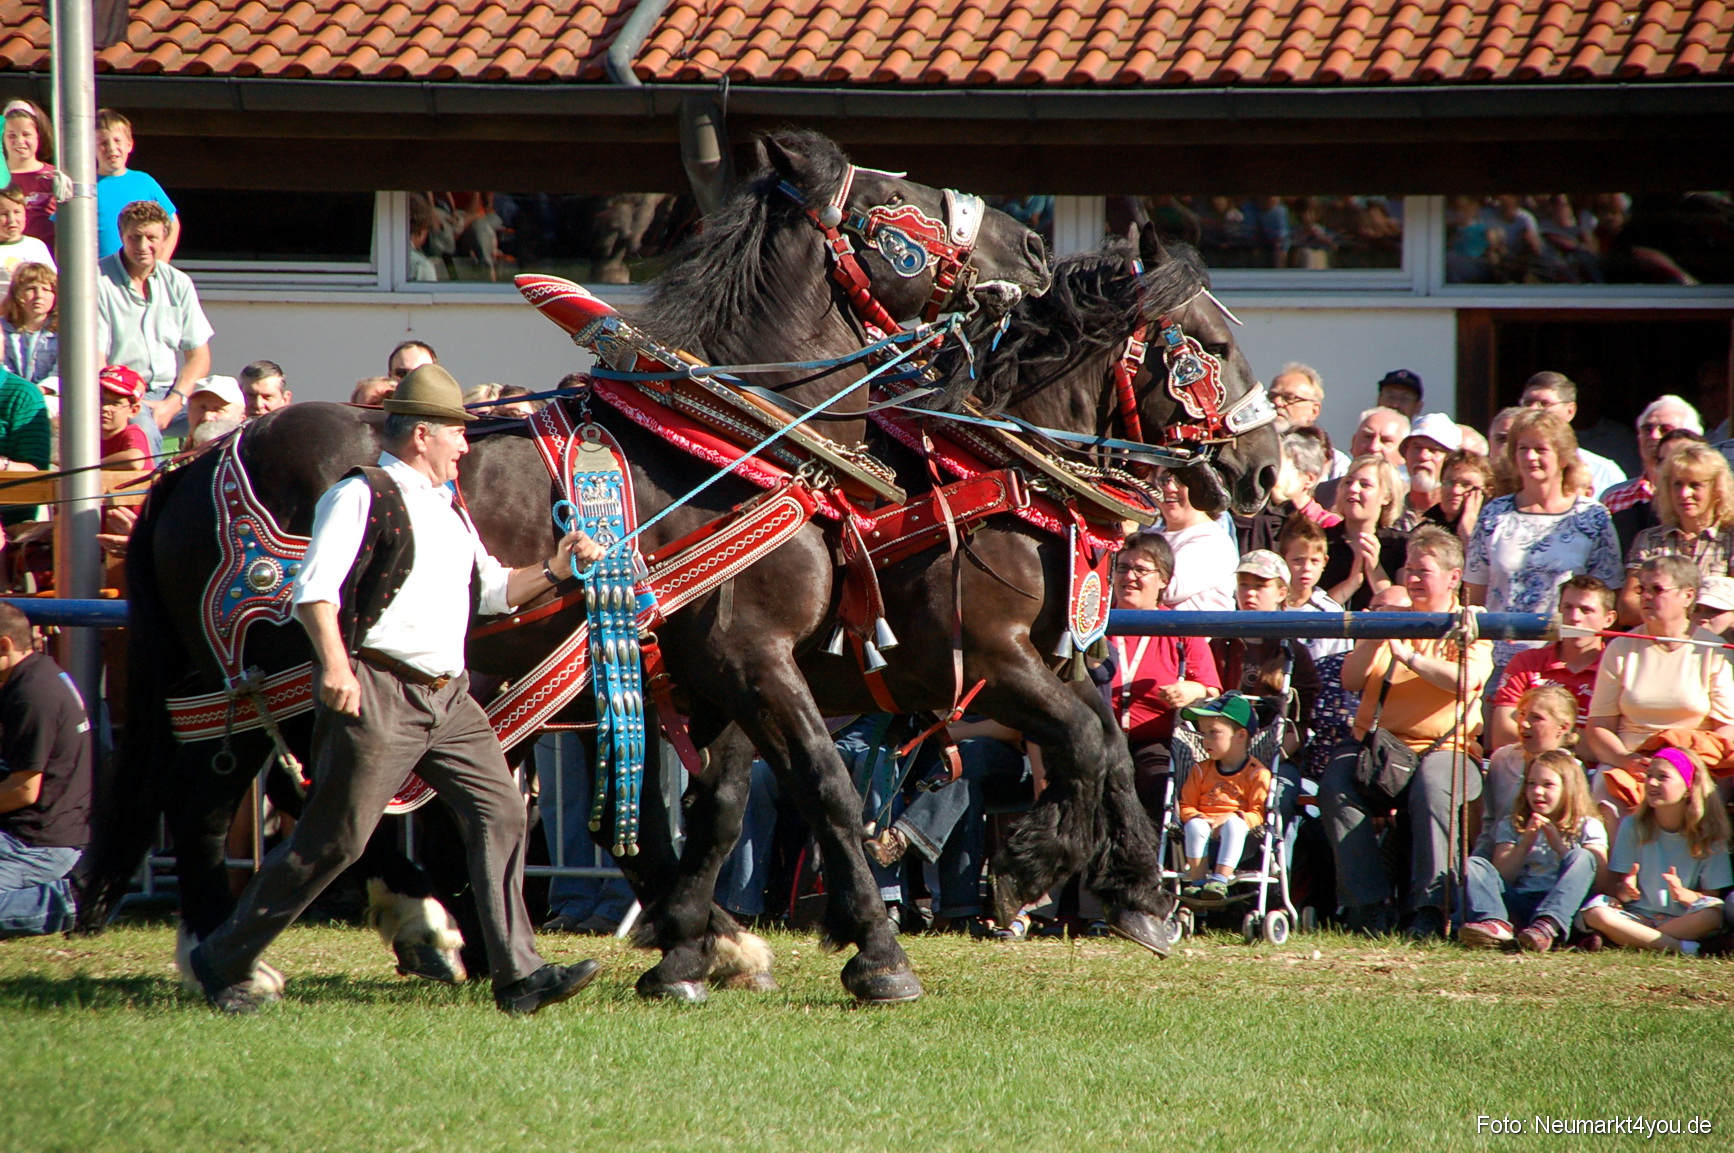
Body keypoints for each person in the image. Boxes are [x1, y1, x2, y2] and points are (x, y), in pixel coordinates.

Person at [186, 365, 605, 1015]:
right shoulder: (360, 496)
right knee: (335, 841)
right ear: (421, 436)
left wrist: (557, 568)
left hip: (451, 697)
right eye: (457, 434)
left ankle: (519, 976)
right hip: (380, 690)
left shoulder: (447, 507)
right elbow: (315, 591)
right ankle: (223, 957)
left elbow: (492, 592)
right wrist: (334, 667)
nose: (466, 445)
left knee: (501, 809)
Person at [1321, 527, 1494, 939]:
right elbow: (1351, 679)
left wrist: (1410, 656)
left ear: (1454, 577)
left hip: (1447, 749)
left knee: (1435, 784)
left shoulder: (1470, 624)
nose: (1413, 579)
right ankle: (1369, 906)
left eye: (1424, 571)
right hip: (1377, 749)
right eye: (1409, 570)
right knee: (1336, 783)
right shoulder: (1393, 614)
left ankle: (1430, 909)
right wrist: (1374, 634)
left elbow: (1464, 680)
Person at [1463, 408, 1622, 675]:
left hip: (1565, 667)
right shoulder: (1493, 514)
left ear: (1563, 456)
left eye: (1540, 449)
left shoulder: (1592, 518)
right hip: (1498, 664)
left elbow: (1607, 597)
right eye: (1522, 448)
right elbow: (1474, 596)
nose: (1530, 457)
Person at [1582, 554, 1734, 827]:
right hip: (1630, 761)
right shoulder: (1620, 648)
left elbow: (1727, 727)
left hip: (1694, 762)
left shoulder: (1714, 651)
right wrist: (1624, 759)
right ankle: (1618, 869)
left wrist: (1682, 762)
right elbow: (1599, 725)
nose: (1646, 597)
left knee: (1700, 794)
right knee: (1606, 791)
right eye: (1642, 589)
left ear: (1688, 596)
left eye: (1657, 589)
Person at [1111, 532, 1222, 820]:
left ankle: (1146, 861)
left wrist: (1191, 690)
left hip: (1155, 742)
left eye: (1141, 570)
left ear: (1164, 580)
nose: (1129, 577)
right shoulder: (1096, 624)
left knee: (1157, 777)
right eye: (1123, 567)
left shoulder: (1179, 627)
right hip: (1102, 737)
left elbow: (1211, 690)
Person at [1577, 746, 1731, 955]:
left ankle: (1633, 938)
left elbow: (1710, 897)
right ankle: (1682, 948)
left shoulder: (1710, 834)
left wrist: (1683, 894)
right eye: (1649, 775)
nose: (1651, 783)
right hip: (1637, 914)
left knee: (1713, 914)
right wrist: (1626, 890)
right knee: (1596, 913)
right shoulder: (1633, 826)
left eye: (1662, 777)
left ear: (1688, 787)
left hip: (1684, 919)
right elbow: (1618, 892)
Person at [0, 604, 93, 938]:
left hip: (36, 844)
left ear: (4, 646)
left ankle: (70, 903)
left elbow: (24, 790)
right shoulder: (35, 675)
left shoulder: (31, 695)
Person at [1459, 749, 1607, 952]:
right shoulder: (1513, 824)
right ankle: (1496, 925)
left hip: (1566, 907)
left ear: (1568, 789)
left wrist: (1560, 847)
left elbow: (1601, 880)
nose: (1537, 791)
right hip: (1523, 901)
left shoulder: (1588, 825)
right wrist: (1526, 841)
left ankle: (1548, 927)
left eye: (1548, 785)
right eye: (1531, 784)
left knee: (1582, 856)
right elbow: (1503, 876)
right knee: (1476, 864)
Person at [95, 200, 213, 435]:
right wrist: (127, 398)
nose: (143, 246)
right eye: (134, 237)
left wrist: (173, 402)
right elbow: (96, 359)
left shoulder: (178, 282)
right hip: (120, 394)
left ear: (165, 238)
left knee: (220, 421)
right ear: (121, 235)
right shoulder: (97, 280)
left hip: (173, 393)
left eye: (151, 238)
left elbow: (199, 356)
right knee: (143, 429)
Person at [1486, 575, 1617, 751]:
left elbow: (1606, 745)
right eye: (1567, 607)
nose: (1574, 617)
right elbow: (1503, 735)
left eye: (1586, 610)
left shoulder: (1618, 668)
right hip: (1525, 763)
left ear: (1609, 619)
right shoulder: (1526, 662)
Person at [1618, 441, 1734, 623]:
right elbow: (1628, 607)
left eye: (1695, 485)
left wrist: (1664, 611)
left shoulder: (1731, 539)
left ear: (1717, 489)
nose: (1684, 494)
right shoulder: (1649, 539)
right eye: (1677, 484)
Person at [1177, 694, 1269, 904]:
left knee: (1235, 825)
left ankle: (1219, 880)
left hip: (1240, 832)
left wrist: (1232, 816)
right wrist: (1199, 817)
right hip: (1205, 825)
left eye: (1213, 733)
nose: (1205, 740)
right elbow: (1187, 805)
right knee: (1194, 826)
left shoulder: (1256, 773)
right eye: (1203, 734)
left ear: (1240, 735)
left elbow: (1258, 812)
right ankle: (1198, 883)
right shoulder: (1200, 770)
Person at [1479, 684, 1581, 859]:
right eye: (1521, 714)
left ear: (1563, 727)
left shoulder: (1570, 768)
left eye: (1536, 718)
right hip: (1502, 858)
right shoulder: (1503, 758)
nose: (1524, 723)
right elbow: (1489, 821)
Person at [1602, 395, 1704, 554]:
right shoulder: (1613, 497)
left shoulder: (1709, 496)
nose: (1654, 436)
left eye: (1665, 430)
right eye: (1647, 429)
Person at [1320, 454, 1407, 610]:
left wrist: (1374, 569)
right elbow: (1309, 608)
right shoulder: (1320, 541)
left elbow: (1401, 609)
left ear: (1386, 496)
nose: (1353, 489)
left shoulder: (1401, 546)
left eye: (1365, 485)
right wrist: (1352, 583)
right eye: (1348, 482)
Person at [1519, 371, 1627, 497]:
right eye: (1527, 403)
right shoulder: (1511, 468)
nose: (1533, 410)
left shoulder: (1603, 472)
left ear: (1570, 411)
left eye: (1544, 404)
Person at [94, 109, 180, 261]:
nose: (112, 148)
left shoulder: (144, 181)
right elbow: (63, 231)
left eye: (117, 140)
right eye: (103, 143)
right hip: (98, 274)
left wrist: (160, 263)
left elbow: (173, 224)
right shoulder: (85, 186)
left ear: (129, 144)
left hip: (139, 271)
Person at [1155, 468, 1237, 612]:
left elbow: (1168, 589)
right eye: (1164, 480)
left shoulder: (1213, 542)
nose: (1170, 488)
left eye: (1182, 481)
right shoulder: (1150, 535)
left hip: (1196, 632)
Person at [1277, 515, 1350, 662]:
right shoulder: (1271, 606)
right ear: (1283, 560)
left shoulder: (1331, 612)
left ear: (1325, 562)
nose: (1306, 568)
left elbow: (1339, 664)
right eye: (1298, 560)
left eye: (1314, 561)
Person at [1313, 406, 1409, 510]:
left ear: (1404, 452)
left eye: (1385, 440)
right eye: (1368, 436)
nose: (1373, 447)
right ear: (1353, 442)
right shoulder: (1324, 493)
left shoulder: (1411, 499)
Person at [1395, 413, 1463, 531]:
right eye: (1416, 447)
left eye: (1434, 450)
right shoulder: (1389, 512)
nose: (1423, 456)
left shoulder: (1458, 516)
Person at [2, 100, 56, 246]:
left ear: (38, 136)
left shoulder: (53, 176)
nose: (20, 141)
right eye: (12, 136)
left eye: (26, 134)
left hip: (47, 260)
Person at [1, 261, 55, 385]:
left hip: (51, 398)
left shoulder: (64, 331)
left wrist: (37, 392)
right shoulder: (3, 328)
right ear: (17, 294)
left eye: (46, 289)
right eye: (31, 289)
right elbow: (3, 371)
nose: (39, 295)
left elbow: (61, 374)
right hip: (12, 395)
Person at [0, 186, 53, 295]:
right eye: (4, 214)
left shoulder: (36, 246)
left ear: (25, 214)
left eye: (17, 212)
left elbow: (51, 281)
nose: (12, 220)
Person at [97, 365, 152, 469]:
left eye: (114, 403)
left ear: (133, 410)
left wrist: (92, 466)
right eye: (100, 399)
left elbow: (135, 460)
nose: (105, 408)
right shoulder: (88, 437)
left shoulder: (132, 433)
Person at [1436, 449, 1491, 545]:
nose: (1455, 491)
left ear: (1488, 491)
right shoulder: (1422, 532)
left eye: (1466, 485)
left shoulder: (1495, 532)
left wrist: (1468, 534)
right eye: (1449, 483)